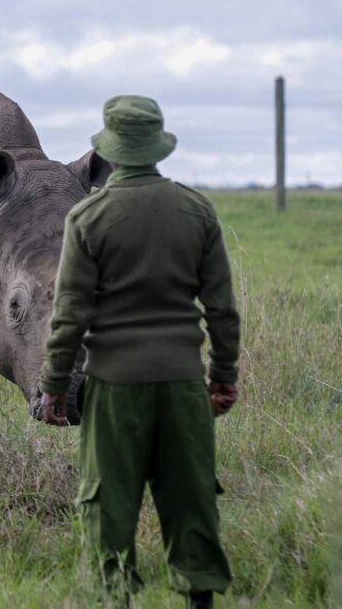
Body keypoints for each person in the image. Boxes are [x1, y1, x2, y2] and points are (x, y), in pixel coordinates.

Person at [37, 95, 240, 608]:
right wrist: (222, 377)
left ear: (111, 150)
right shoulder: (197, 211)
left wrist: (54, 387)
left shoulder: (87, 218)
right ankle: (199, 599)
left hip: (112, 388)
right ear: (156, 147)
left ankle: (117, 598)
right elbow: (221, 310)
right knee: (190, 500)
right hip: (182, 384)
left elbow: (70, 315)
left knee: (109, 505)